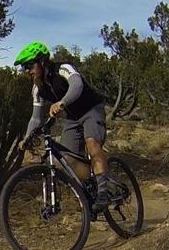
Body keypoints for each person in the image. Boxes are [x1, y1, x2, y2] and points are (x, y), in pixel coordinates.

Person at [13, 41, 111, 211]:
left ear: (42, 61)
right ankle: (90, 185)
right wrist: (26, 138)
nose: (27, 70)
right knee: (66, 159)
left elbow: (77, 85)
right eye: (24, 67)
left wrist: (62, 103)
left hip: (91, 109)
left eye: (29, 65)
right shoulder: (38, 89)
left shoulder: (63, 69)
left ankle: (103, 192)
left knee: (92, 143)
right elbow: (36, 119)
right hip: (73, 118)